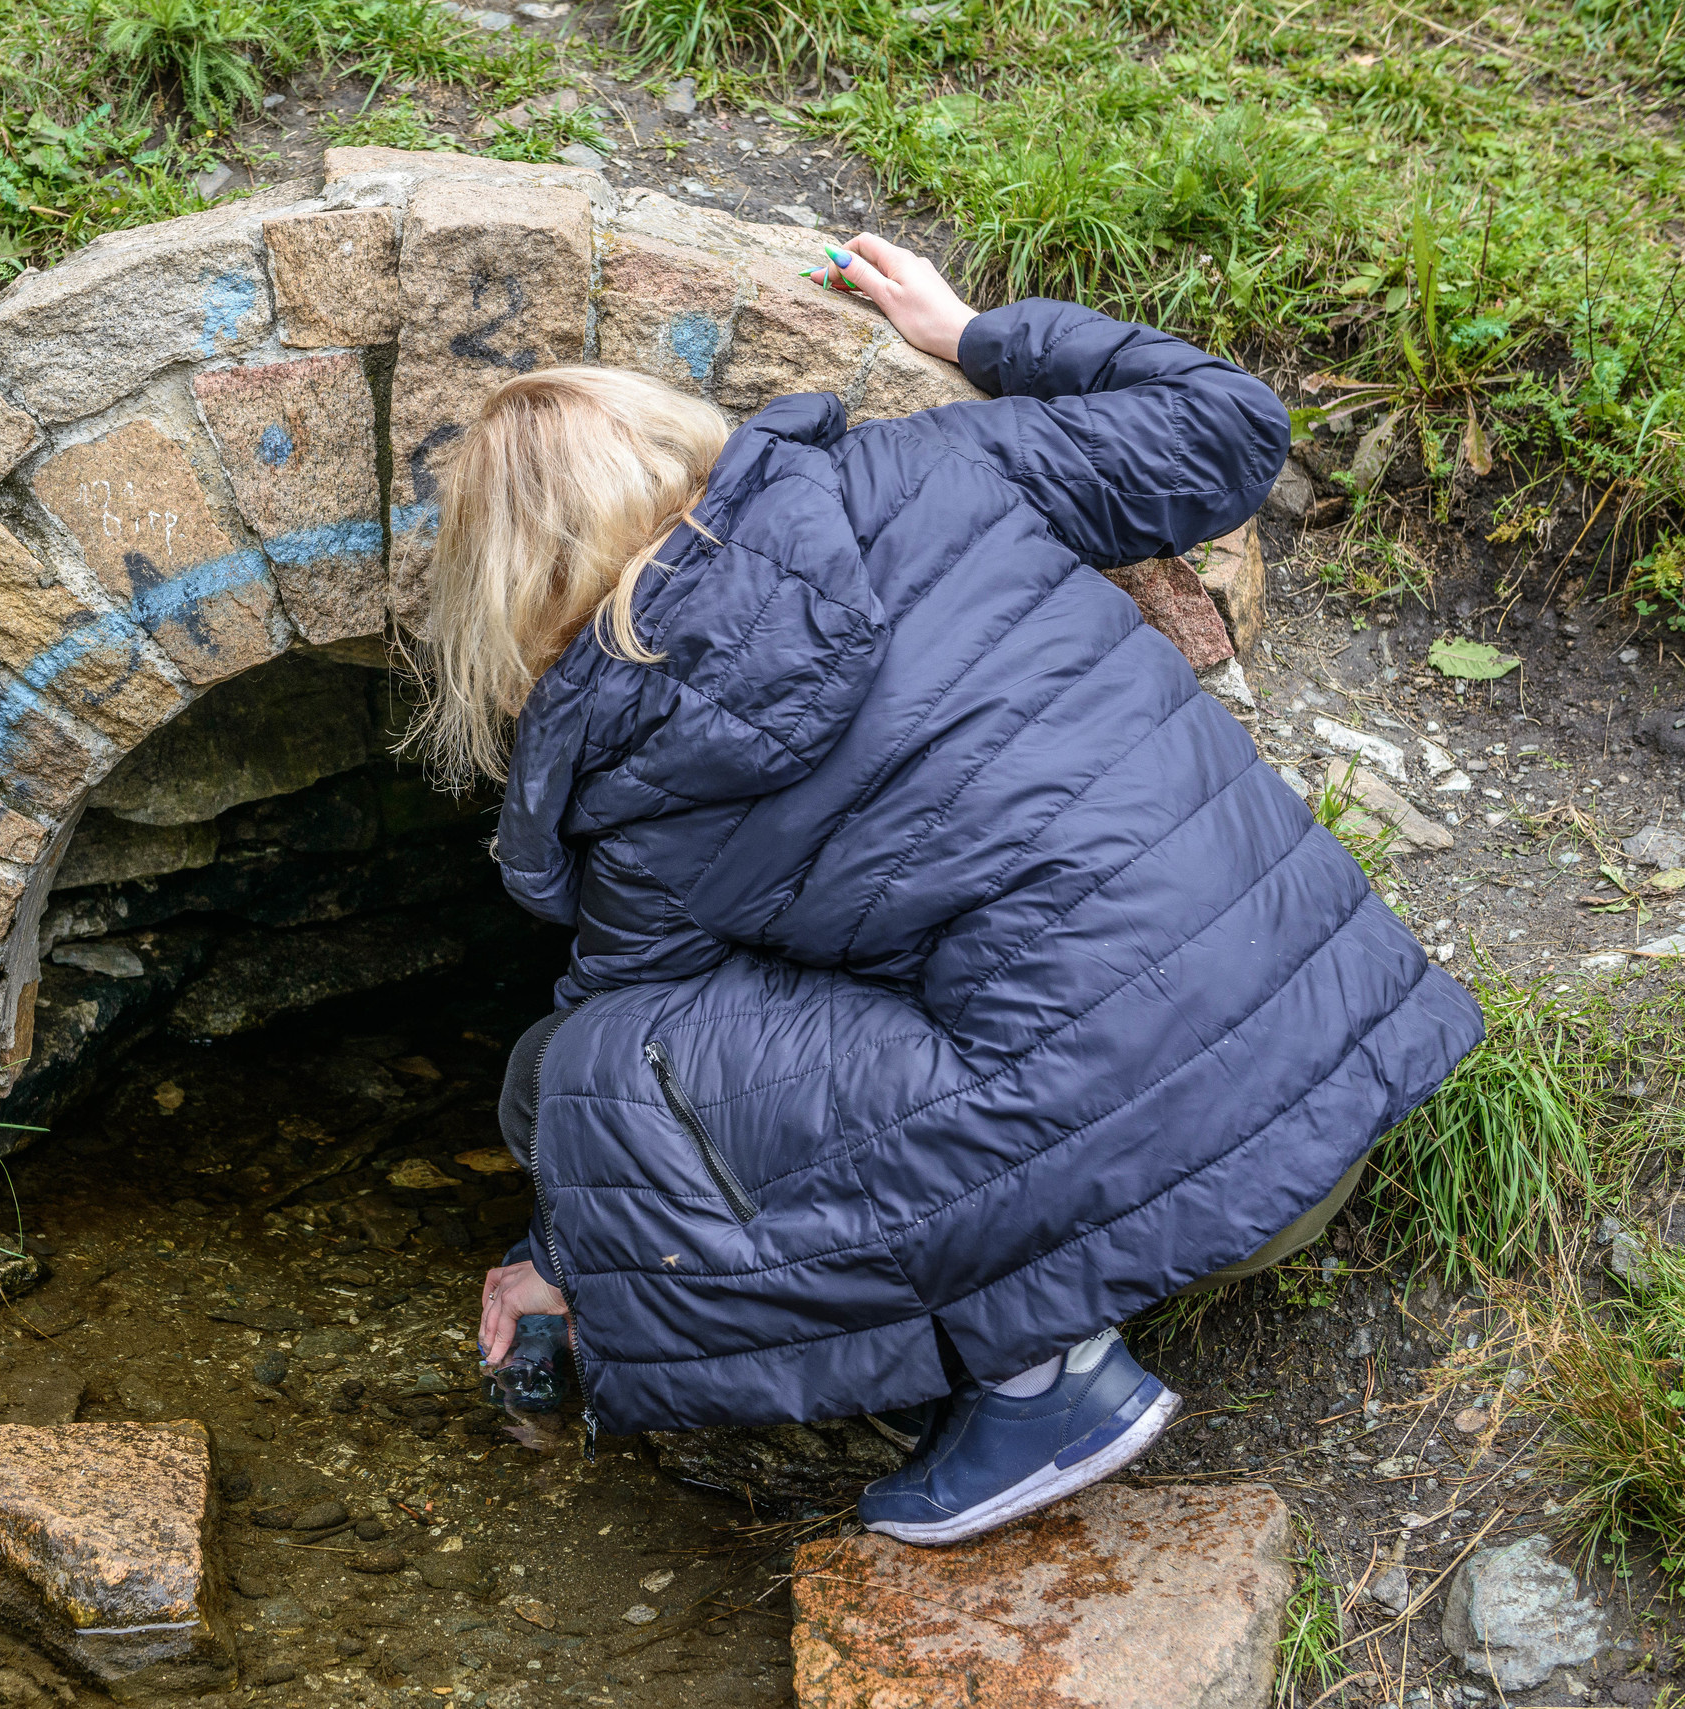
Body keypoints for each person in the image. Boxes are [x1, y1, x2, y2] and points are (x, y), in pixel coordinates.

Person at [410, 235, 1483, 1548]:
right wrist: (979, 338)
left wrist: (562, 1255)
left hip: (1175, 1176)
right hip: (1332, 1060)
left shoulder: (628, 771)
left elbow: (648, 1094)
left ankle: (1047, 1380)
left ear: (507, 593)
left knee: (579, 1070)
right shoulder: (925, 466)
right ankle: (1031, 1313)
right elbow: (1227, 429)